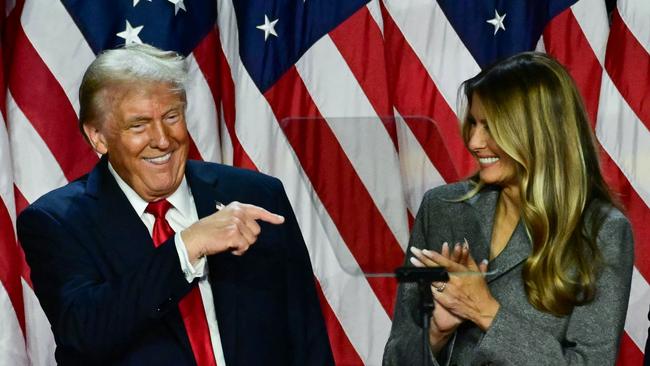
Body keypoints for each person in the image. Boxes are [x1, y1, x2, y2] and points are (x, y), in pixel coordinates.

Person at [17, 43, 333, 366]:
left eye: (171, 116)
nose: (163, 139)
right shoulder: (57, 222)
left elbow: (307, 339)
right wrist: (187, 245)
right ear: (98, 136)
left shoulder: (256, 196)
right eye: (138, 125)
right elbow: (84, 331)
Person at [383, 52, 634, 365]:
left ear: (539, 132)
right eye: (473, 124)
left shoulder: (602, 231)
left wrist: (484, 310)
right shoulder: (442, 208)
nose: (474, 142)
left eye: (490, 127)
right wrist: (437, 332)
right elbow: (395, 359)